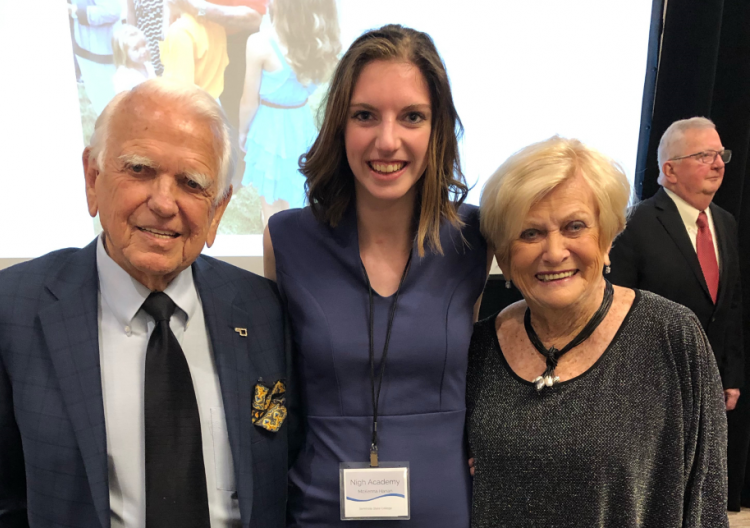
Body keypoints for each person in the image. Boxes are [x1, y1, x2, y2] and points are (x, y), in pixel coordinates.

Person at [0, 79, 289, 527]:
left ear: (217, 210)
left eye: (191, 182)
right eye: (139, 169)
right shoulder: (5, 311)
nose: (162, 202)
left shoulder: (266, 311)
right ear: (92, 179)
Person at [264, 25, 489, 527]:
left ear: (438, 129)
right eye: (365, 115)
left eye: (412, 117)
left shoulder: (475, 237)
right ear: (339, 125)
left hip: (445, 511)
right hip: (320, 510)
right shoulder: (287, 239)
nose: (387, 141)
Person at [468, 136, 728, 527]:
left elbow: (706, 500)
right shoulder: (478, 348)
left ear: (607, 238)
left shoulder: (671, 337)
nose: (554, 252)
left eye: (575, 227)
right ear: (504, 256)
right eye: (529, 233)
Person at [610, 116, 744, 509]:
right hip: (647, 387)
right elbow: (619, 307)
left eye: (721, 155)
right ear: (669, 170)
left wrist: (730, 374)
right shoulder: (634, 224)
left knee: (697, 490)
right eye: (705, 155)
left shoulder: (725, 222)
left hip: (708, 386)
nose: (719, 164)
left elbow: (730, 305)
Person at [239, 0, 340, 226]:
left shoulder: (260, 43)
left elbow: (249, 100)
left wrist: (243, 132)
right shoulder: (316, 46)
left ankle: (274, 256)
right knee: (298, 196)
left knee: (272, 209)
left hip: (269, 127)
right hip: (300, 124)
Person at [161, 0, 230, 100]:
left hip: (194, 108)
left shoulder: (180, 31)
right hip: (214, 103)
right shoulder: (217, 24)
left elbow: (180, 92)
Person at [68, 0, 121, 115]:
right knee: (101, 105)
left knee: (113, 106)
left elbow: (112, 11)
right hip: (83, 50)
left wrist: (74, 10)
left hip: (102, 54)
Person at [112, 24, 156, 93]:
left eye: (144, 44)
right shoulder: (123, 76)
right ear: (124, 53)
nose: (143, 50)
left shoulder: (148, 65)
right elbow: (124, 101)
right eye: (136, 49)